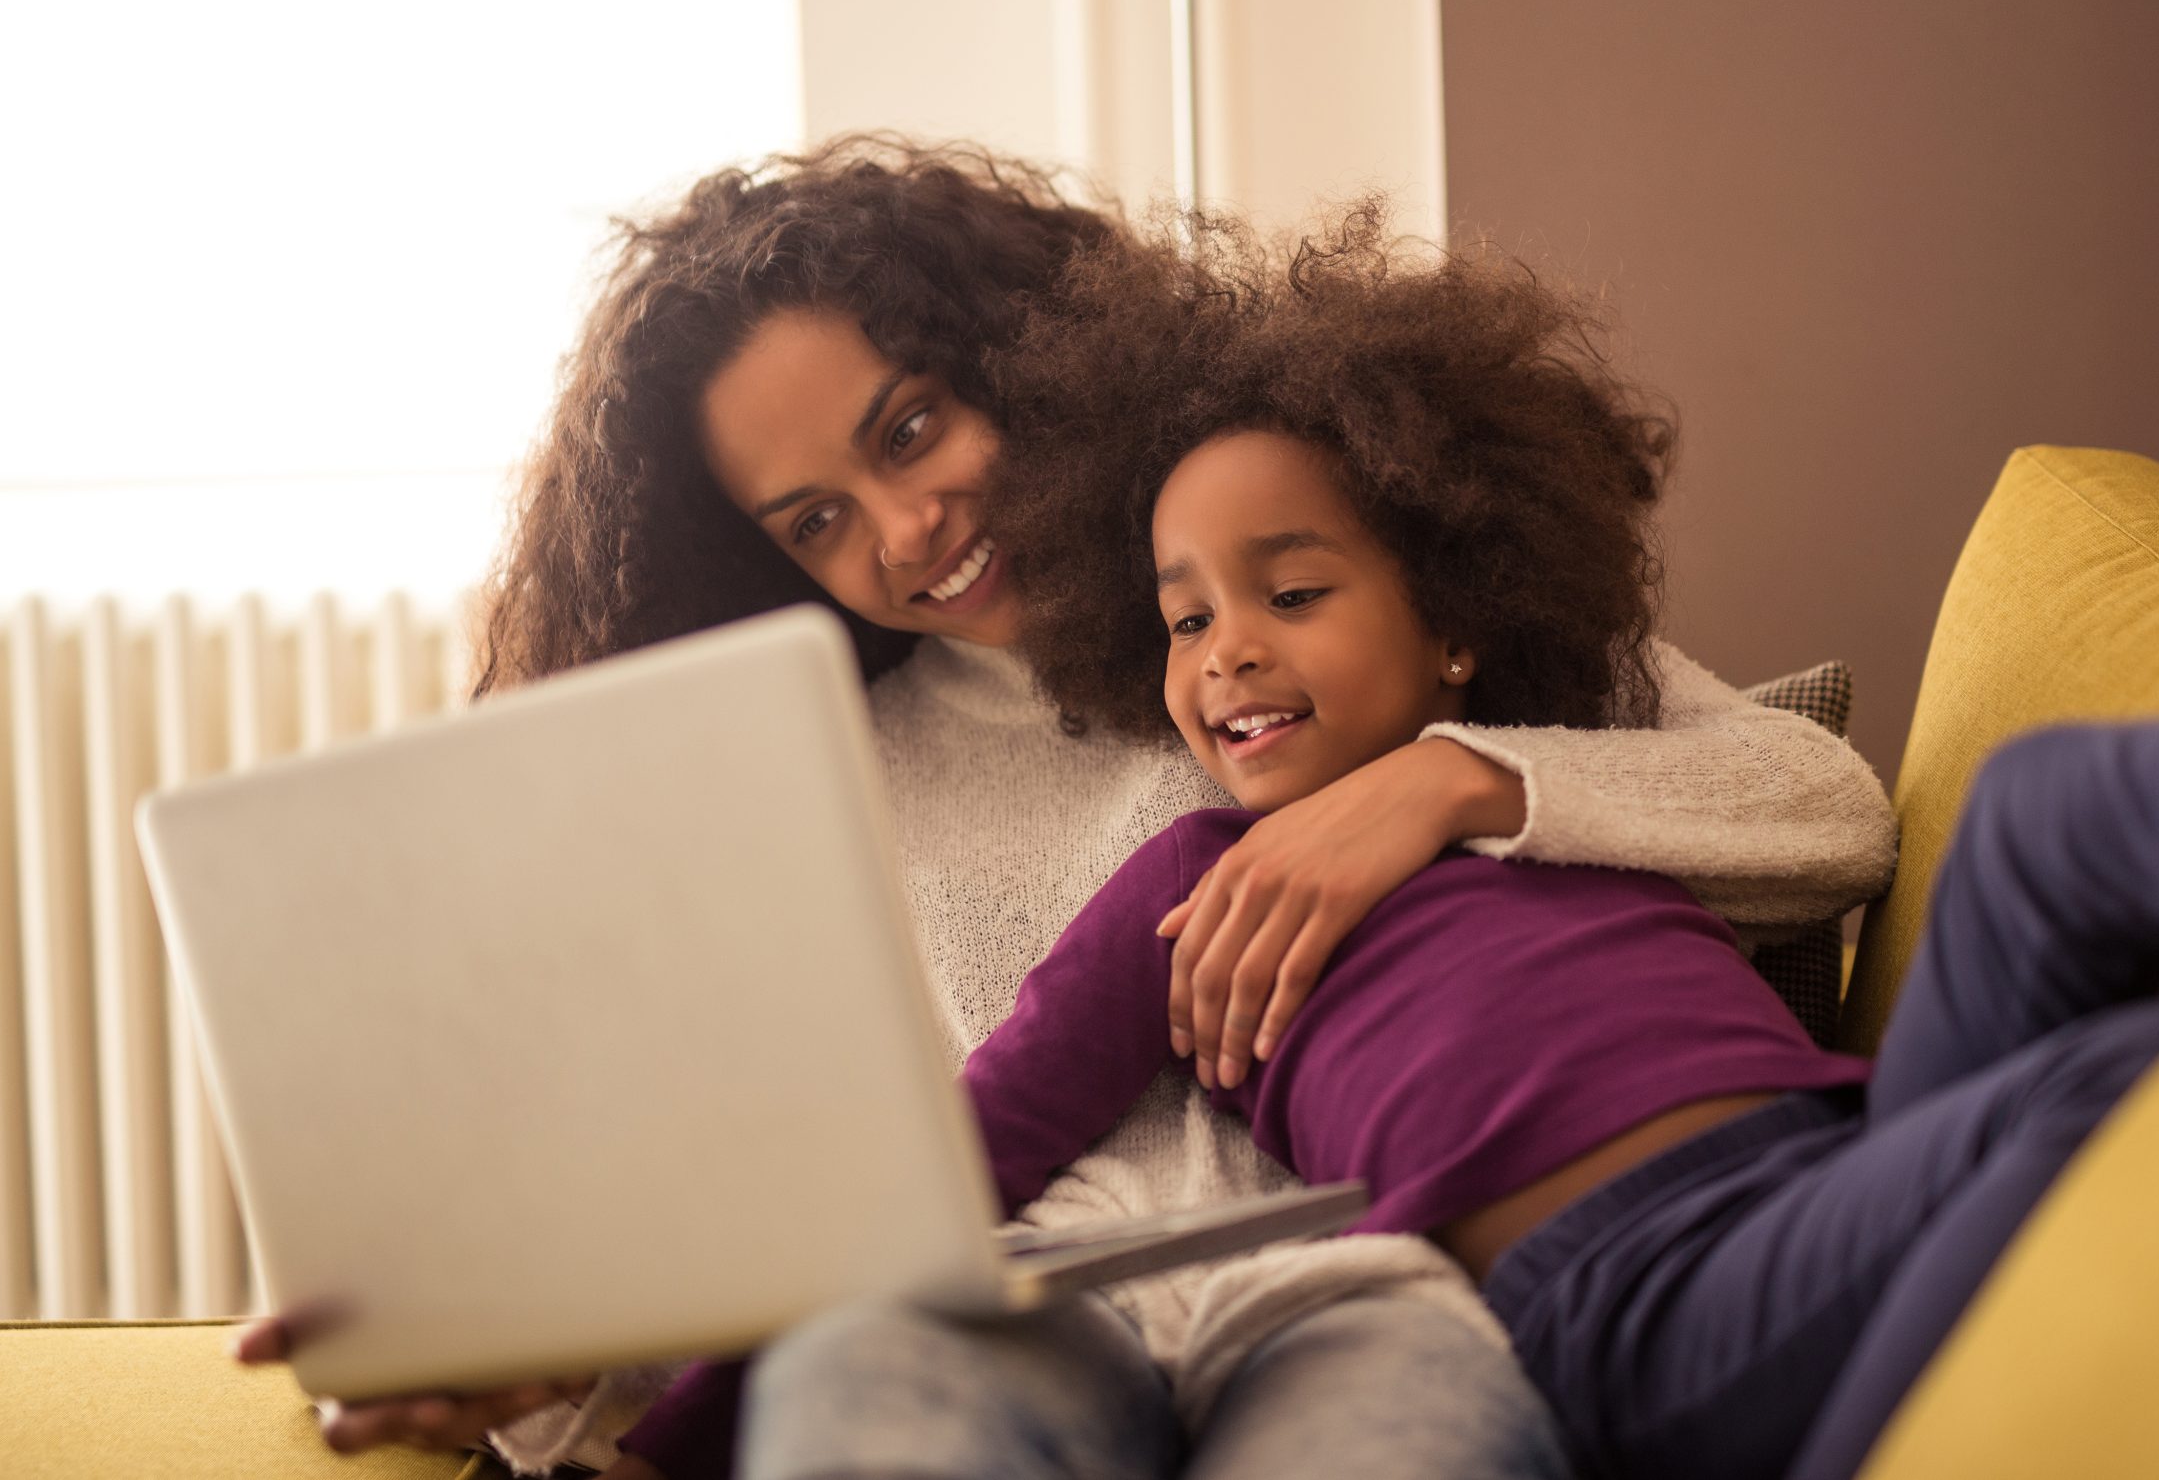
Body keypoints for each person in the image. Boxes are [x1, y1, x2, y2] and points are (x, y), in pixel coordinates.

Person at [634, 216, 2159, 1480]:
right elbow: (960, 1146)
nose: (1223, 648)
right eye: (1184, 617)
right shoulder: (1165, 878)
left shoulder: (1553, 734)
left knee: (2054, 826)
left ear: (1454, 610)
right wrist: (647, 1428)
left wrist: (1466, 779)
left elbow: (1828, 814)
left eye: (1289, 589)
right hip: (1622, 1276)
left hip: (1830, 1146)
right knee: (2108, 1096)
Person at [230, 138, 1901, 1479]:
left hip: (1360, 1290)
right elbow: (773, 1210)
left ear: (1023, 354)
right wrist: (528, 1364)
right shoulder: (818, 770)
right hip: (982, 1318)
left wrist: (1446, 783)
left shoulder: (1313, 588)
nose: (906, 528)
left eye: (914, 426)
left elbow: (1823, 807)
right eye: (818, 517)